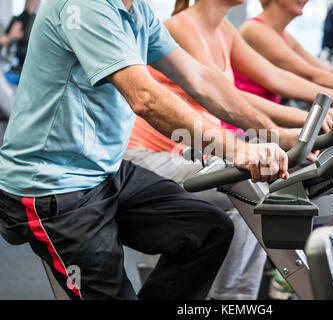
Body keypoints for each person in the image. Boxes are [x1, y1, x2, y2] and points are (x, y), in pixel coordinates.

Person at [0, 0, 292, 300]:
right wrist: (236, 149)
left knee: (208, 231)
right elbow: (145, 98)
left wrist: (276, 136)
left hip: (106, 170)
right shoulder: (85, 5)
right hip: (53, 186)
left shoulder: (136, 10)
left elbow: (200, 79)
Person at [125, 0, 333, 300]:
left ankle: (244, 295)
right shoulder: (179, 27)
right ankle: (226, 299)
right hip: (153, 157)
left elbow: (274, 78)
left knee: (267, 187)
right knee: (246, 187)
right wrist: (280, 134)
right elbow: (218, 92)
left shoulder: (224, 28)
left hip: (197, 153)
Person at [0, 0, 41, 72]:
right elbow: (6, 41)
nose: (38, 2)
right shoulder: (19, 18)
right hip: (18, 59)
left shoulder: (36, 20)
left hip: (30, 59)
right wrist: (12, 37)